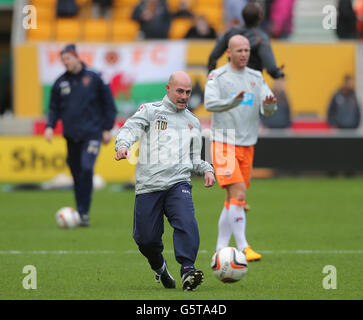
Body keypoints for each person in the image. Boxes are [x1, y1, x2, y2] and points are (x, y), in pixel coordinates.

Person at [114, 71, 215, 291]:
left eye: (188, 92)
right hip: (149, 186)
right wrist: (123, 145)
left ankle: (188, 270)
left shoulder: (192, 122)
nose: (184, 96)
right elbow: (130, 129)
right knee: (146, 240)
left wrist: (207, 169)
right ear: (168, 89)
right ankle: (160, 268)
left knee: (187, 223)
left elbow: (196, 157)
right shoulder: (151, 111)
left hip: (178, 184)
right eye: (180, 91)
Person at [204, 35, 277, 261]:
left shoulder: (256, 77)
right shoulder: (218, 76)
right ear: (229, 52)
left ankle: (220, 250)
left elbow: (268, 110)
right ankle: (244, 247)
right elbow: (209, 103)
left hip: (247, 143)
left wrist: (270, 105)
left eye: (246, 50)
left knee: (232, 198)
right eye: (239, 51)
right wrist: (231, 102)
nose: (244, 54)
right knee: (239, 193)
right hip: (224, 140)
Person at [44, 44, 116, 227]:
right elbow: (53, 108)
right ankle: (82, 212)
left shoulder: (94, 77)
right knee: (76, 174)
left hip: (92, 133)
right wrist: (50, 126)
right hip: (71, 135)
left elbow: (108, 104)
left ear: (76, 57)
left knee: (86, 168)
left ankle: (83, 212)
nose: (65, 62)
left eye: (68, 58)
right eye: (63, 60)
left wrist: (107, 128)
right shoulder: (61, 82)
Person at [207, 1, 284, 79]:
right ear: (260, 17)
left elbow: (213, 57)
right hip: (251, 83)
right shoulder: (261, 38)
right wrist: (278, 73)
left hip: (231, 80)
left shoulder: (231, 32)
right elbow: (271, 68)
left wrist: (211, 78)